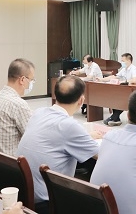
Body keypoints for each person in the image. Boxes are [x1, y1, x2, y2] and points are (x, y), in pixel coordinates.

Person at [17, 75, 101, 214]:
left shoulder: (39, 112)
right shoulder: (69, 126)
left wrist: (86, 136)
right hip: (47, 201)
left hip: (26, 192)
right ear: (81, 100)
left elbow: (55, 136)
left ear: (55, 95)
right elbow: (100, 155)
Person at [0, 58, 34, 156]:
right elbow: (34, 139)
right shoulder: (18, 104)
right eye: (31, 80)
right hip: (11, 163)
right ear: (22, 80)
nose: (31, 84)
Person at [102, 53, 136, 126]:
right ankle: (116, 118)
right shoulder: (124, 69)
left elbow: (134, 80)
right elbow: (115, 76)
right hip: (127, 90)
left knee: (122, 99)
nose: (122, 62)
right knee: (115, 97)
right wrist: (102, 79)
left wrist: (124, 81)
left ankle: (114, 118)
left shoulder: (133, 69)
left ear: (129, 60)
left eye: (123, 61)